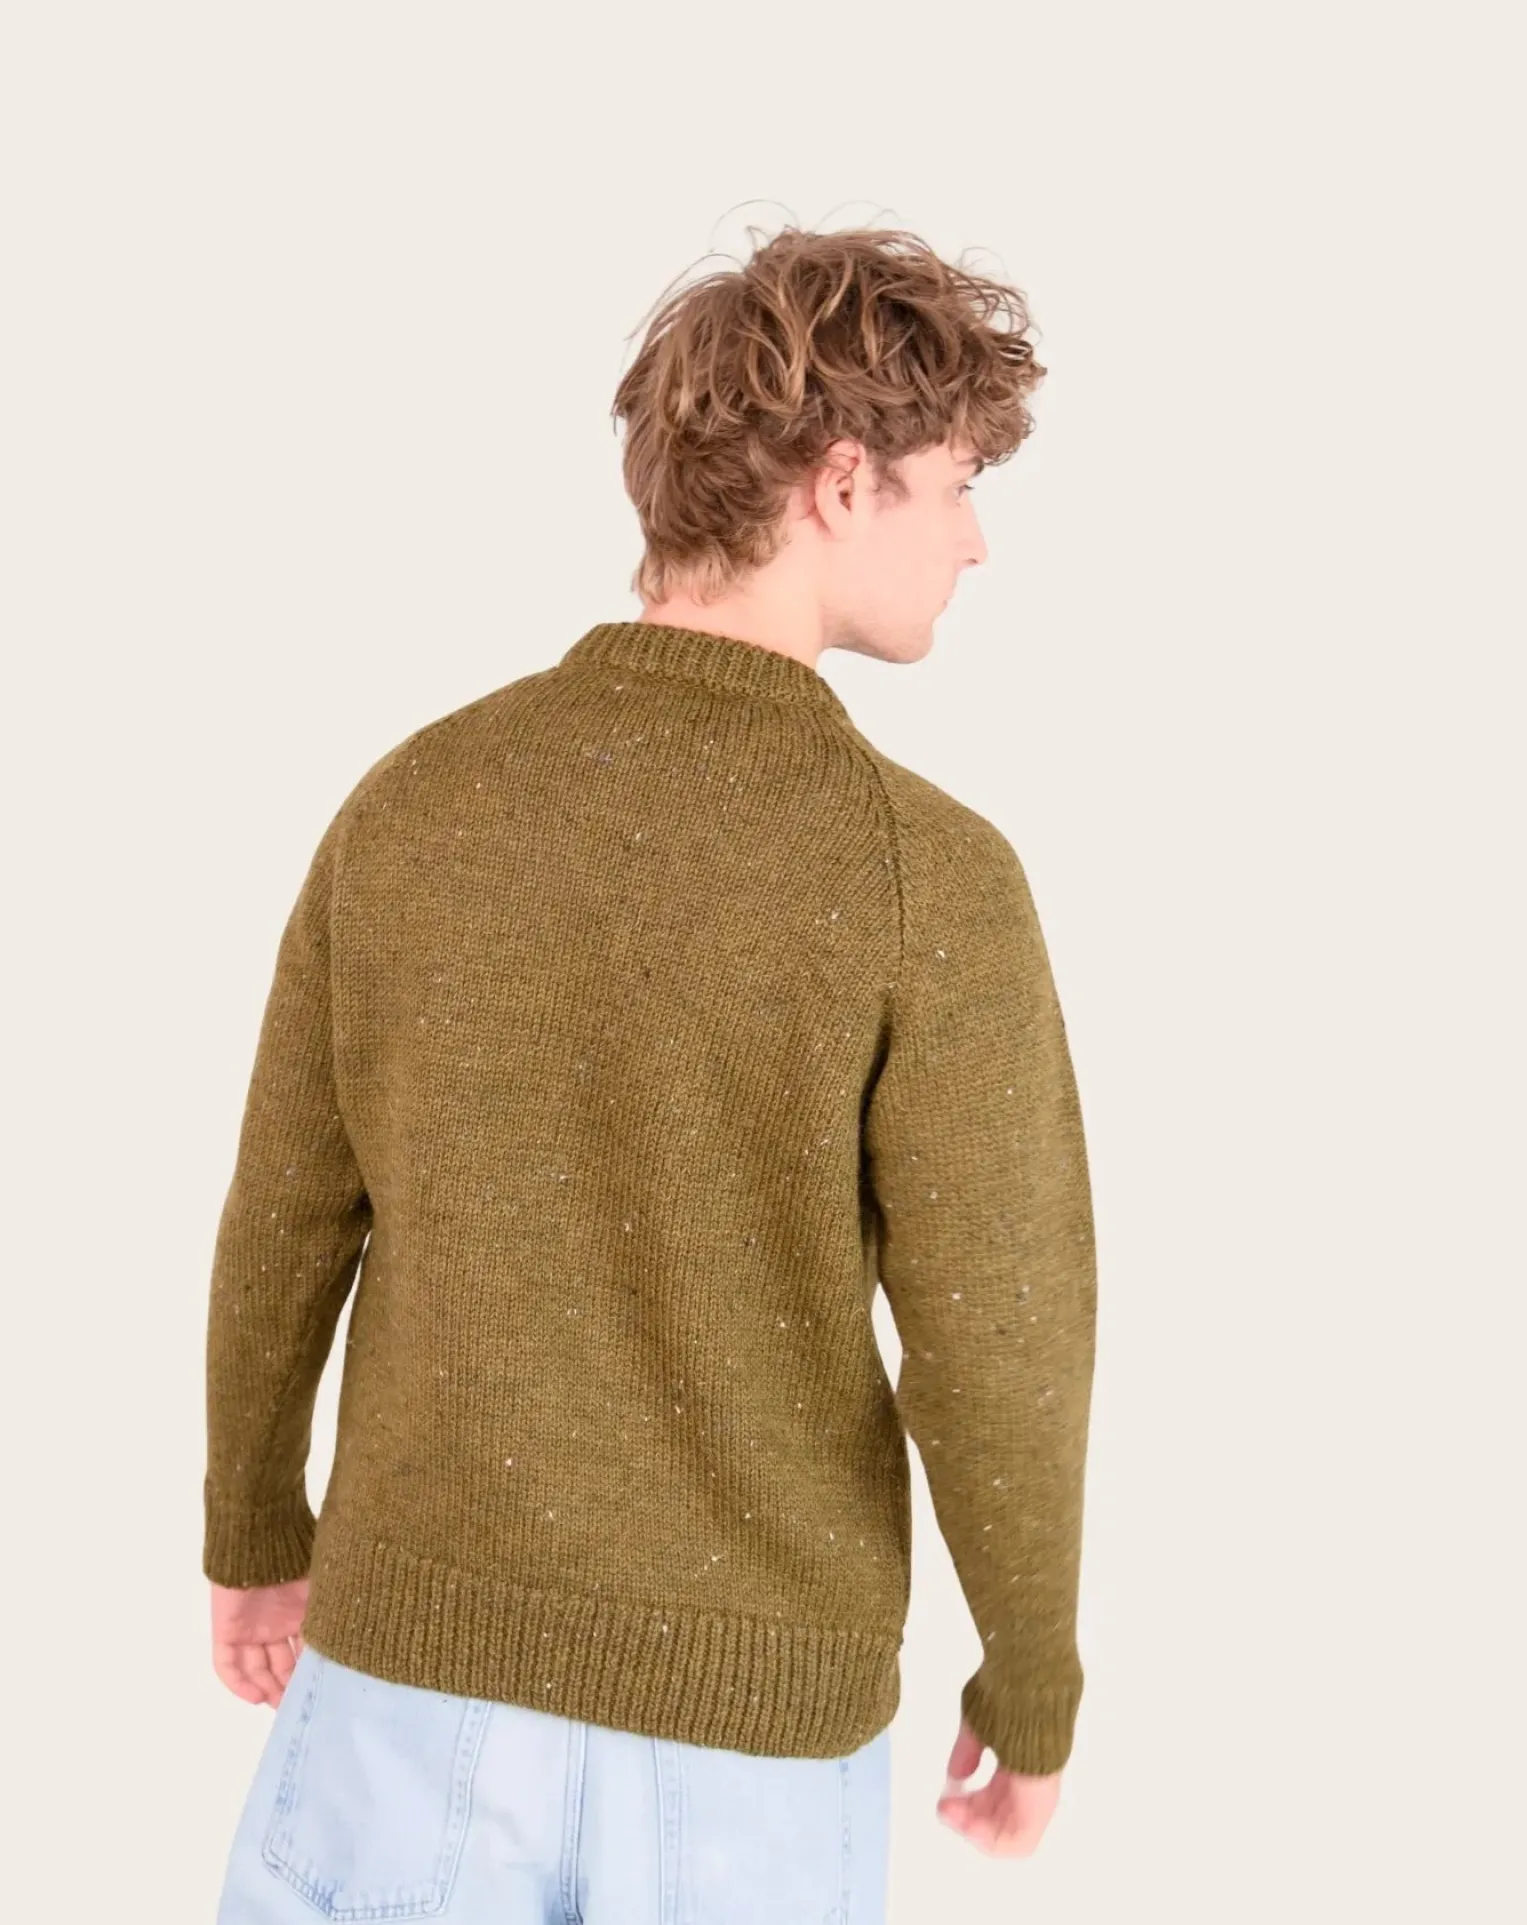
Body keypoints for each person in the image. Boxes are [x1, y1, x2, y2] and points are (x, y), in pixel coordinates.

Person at [205, 221, 1098, 1921]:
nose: (975, 540)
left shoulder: (415, 803)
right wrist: (1031, 1673)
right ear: (844, 482)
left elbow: (286, 1215)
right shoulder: (923, 875)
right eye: (957, 483)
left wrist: (254, 1530)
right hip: (744, 1745)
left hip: (403, 1684)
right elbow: (1002, 1330)